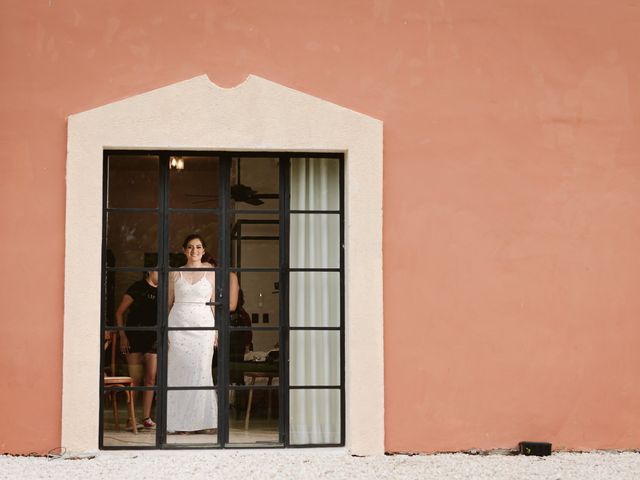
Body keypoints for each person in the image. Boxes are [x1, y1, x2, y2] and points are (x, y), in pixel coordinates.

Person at [166, 233, 239, 433]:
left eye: (198, 247)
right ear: (184, 250)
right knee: (178, 373)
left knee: (201, 372)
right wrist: (165, 329)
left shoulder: (212, 273)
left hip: (203, 326)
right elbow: (168, 303)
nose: (194, 251)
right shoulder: (175, 273)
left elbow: (215, 303)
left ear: (203, 251)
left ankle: (204, 421)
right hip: (178, 324)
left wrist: (215, 330)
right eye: (190, 247)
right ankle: (180, 424)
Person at [114, 270, 158, 429]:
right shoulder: (137, 287)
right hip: (134, 337)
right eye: (159, 271)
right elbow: (119, 313)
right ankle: (131, 417)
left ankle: (146, 417)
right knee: (136, 379)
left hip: (153, 338)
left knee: (151, 378)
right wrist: (122, 336)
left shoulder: (164, 291)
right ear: (150, 272)